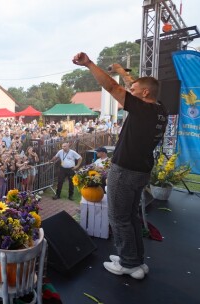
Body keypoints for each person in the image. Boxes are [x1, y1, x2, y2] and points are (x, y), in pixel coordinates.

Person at [73, 52, 168, 279]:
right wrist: (124, 72)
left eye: (134, 91)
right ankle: (136, 260)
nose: (130, 92)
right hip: (142, 170)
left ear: (144, 94)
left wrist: (89, 64)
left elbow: (113, 87)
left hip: (125, 170)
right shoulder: (160, 109)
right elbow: (131, 85)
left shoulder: (142, 109)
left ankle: (128, 263)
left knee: (119, 218)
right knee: (132, 216)